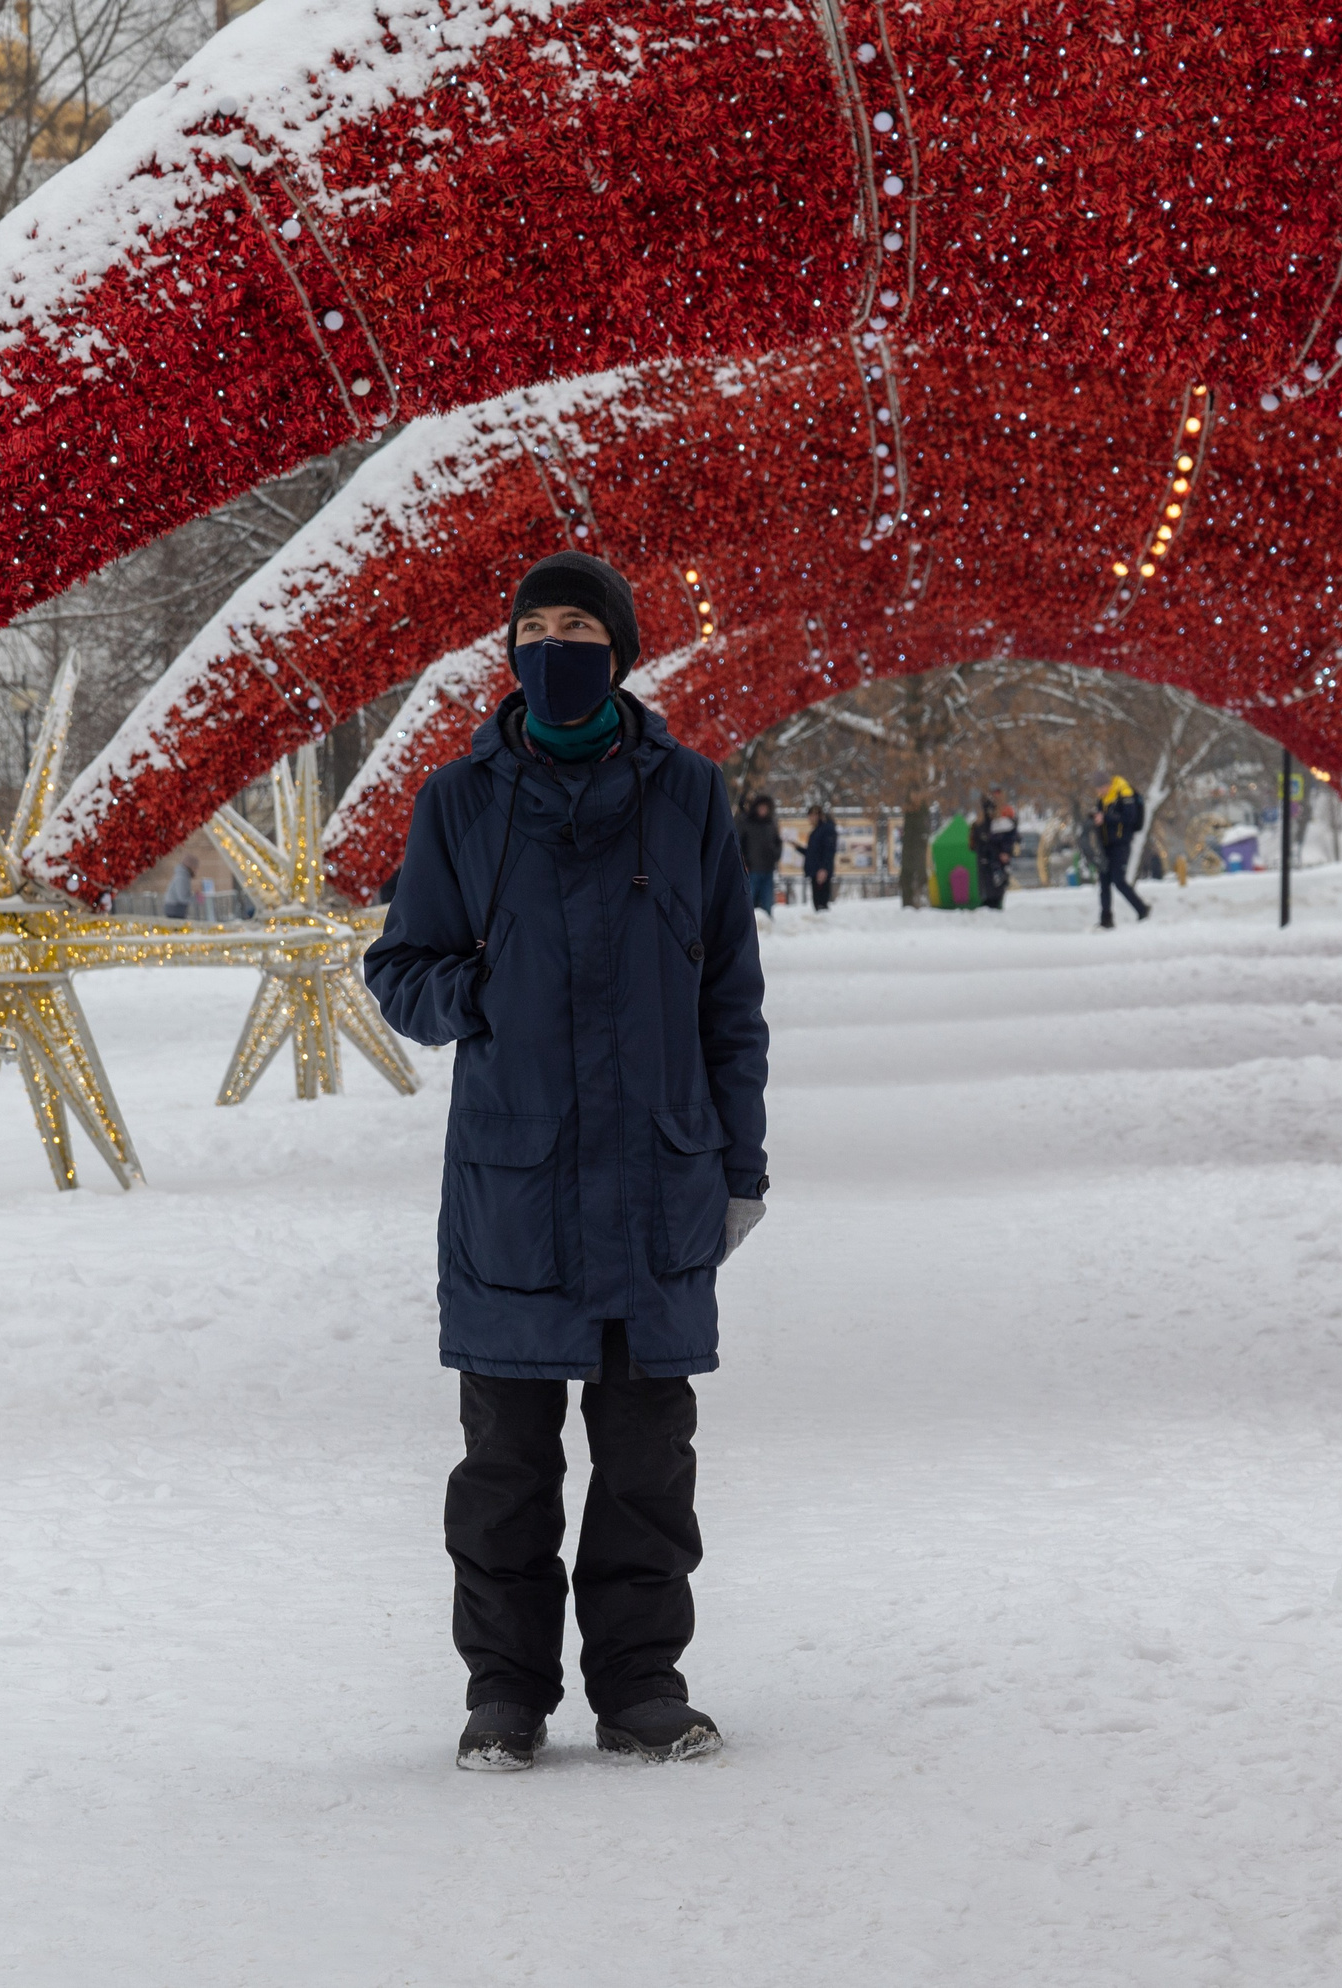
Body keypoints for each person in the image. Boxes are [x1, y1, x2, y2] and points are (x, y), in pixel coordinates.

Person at [365, 550, 770, 1773]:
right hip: (516, 1188)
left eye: (577, 625)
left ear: (620, 649)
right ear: (509, 652)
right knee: (504, 1468)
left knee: (649, 1460)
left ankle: (642, 1686)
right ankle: (505, 1691)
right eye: (532, 625)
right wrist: (482, 984)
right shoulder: (459, 799)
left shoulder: (688, 795)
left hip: (654, 1181)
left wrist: (739, 1166)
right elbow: (401, 973)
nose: (554, 645)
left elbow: (730, 1003)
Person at [1096, 775, 1151, 927]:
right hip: (1105, 845)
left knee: (1118, 880)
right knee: (1104, 882)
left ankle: (1142, 908)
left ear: (1108, 783)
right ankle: (1106, 919)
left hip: (1120, 843)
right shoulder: (1102, 798)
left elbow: (1129, 818)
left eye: (1101, 787)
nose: (1100, 790)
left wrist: (1105, 818)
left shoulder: (1124, 792)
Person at [970, 795, 1019, 911]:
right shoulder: (991, 826)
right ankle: (992, 903)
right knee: (993, 884)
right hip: (989, 859)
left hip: (990, 859)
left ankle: (992, 903)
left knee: (994, 884)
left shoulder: (996, 826)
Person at [735, 794, 781, 916]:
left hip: (768, 868)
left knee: (767, 900)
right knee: (750, 901)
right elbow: (739, 843)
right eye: (761, 807)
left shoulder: (771, 824)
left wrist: (775, 855)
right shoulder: (747, 823)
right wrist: (745, 861)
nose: (763, 811)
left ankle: (767, 923)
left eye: (765, 808)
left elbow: (778, 842)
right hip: (752, 869)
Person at [795, 804, 839, 912]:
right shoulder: (817, 831)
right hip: (815, 870)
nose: (810, 819)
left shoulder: (827, 830)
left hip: (821, 872)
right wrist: (798, 848)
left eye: (812, 816)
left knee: (821, 904)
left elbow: (829, 851)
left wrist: (824, 869)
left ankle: (824, 926)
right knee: (817, 903)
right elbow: (812, 852)